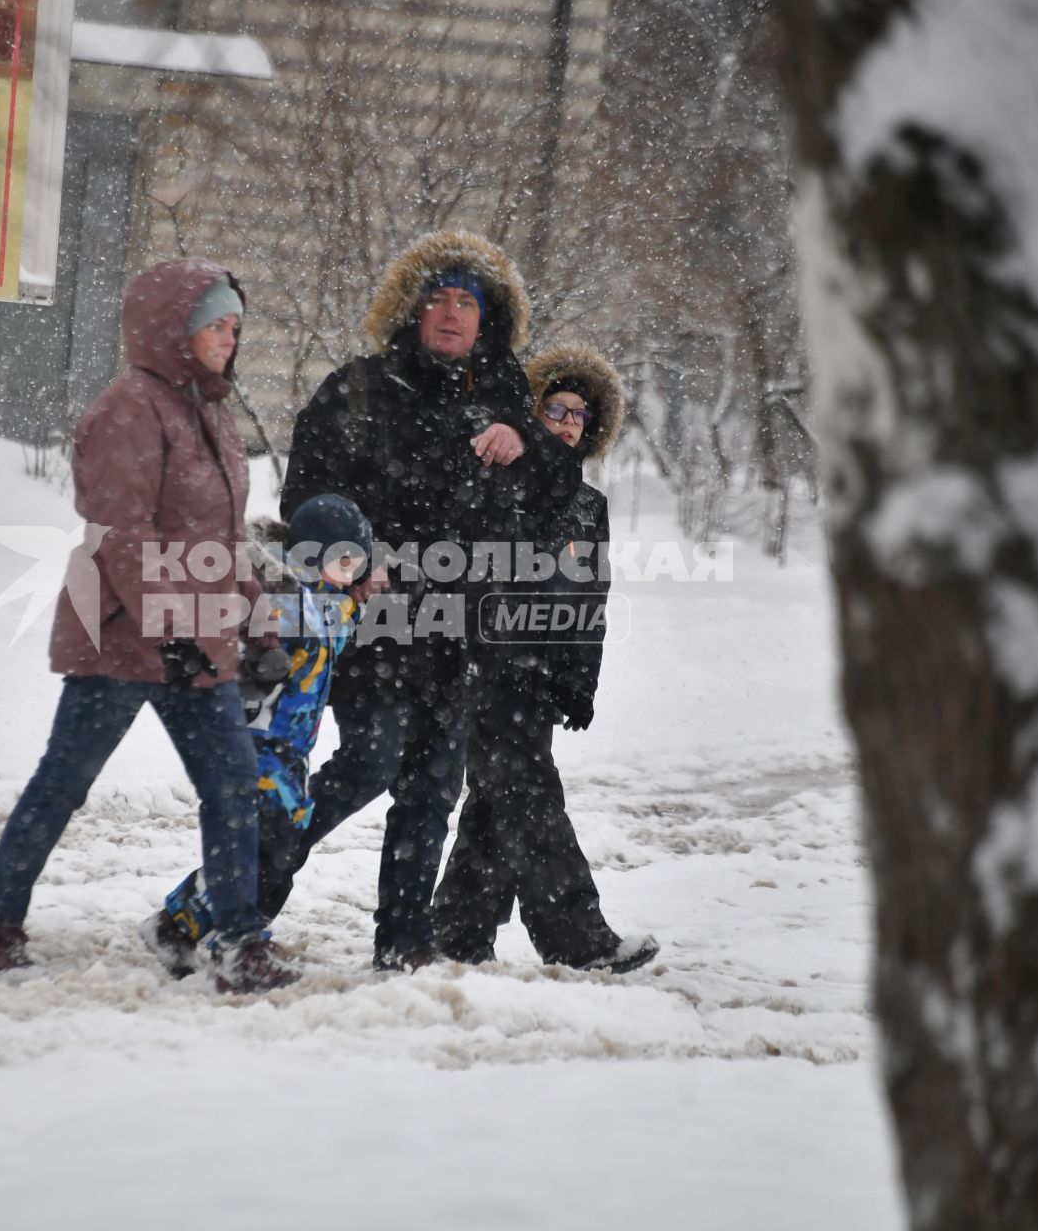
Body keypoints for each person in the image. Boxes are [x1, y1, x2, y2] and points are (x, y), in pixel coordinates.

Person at [0, 257, 299, 995]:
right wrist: (171, 627)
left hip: (196, 641)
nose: (227, 338)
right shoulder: (128, 409)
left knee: (234, 787)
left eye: (235, 326)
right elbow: (122, 536)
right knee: (63, 784)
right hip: (119, 640)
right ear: (172, 327)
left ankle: (240, 942)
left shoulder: (211, 412)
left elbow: (224, 536)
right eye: (215, 323)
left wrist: (260, 627)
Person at [275, 230, 580, 970]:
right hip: (375, 624)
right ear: (413, 312)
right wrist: (351, 554)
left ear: (489, 320)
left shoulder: (511, 403)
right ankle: (239, 889)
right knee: (369, 765)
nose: (450, 313)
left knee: (432, 794)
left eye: (466, 302)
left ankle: (405, 945)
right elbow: (305, 499)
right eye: (437, 298)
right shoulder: (360, 389)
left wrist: (526, 442)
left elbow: (562, 495)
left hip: (458, 637)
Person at [433, 344, 659, 972]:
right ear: (530, 411)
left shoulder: (589, 507)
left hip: (536, 679)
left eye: (578, 416)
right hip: (483, 666)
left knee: (496, 802)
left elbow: (590, 601)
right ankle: (576, 937)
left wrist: (577, 682)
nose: (565, 422)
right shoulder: (498, 475)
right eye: (554, 408)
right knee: (530, 797)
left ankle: (455, 935)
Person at [143, 493, 378, 977]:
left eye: (357, 563)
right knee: (264, 850)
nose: (353, 572)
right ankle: (236, 943)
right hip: (256, 745)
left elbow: (336, 621)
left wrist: (354, 598)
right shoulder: (280, 602)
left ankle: (179, 923)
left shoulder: (330, 607)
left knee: (271, 852)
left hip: (292, 756)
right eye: (345, 560)